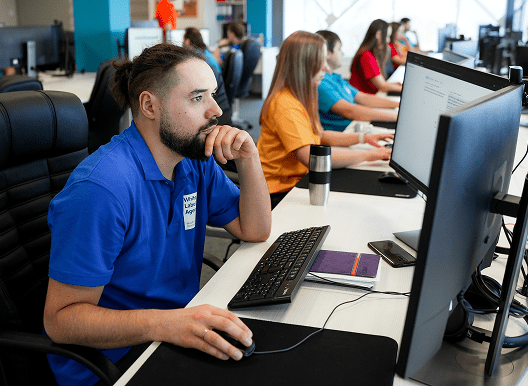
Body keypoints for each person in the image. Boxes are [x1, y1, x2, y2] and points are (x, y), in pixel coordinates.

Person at [43, 44, 272, 386]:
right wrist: (166, 324)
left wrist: (249, 158)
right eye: (197, 98)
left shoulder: (195, 161)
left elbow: (254, 229)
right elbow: (60, 322)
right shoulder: (102, 188)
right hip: (111, 363)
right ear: (150, 105)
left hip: (173, 331)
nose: (216, 111)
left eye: (212, 94)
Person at [257, 31, 393, 208]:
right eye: (321, 62)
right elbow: (310, 156)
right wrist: (369, 155)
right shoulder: (285, 104)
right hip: (280, 193)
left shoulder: (301, 96)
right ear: (303, 66)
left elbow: (319, 135)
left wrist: (364, 138)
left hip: (300, 180)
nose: (327, 69)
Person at [315, 30, 399, 132]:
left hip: (354, 126)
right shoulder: (321, 83)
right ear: (327, 53)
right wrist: (396, 117)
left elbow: (362, 97)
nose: (343, 52)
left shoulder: (335, 77)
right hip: (344, 133)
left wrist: (398, 105)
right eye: (339, 48)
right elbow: (350, 110)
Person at [183, 27, 232, 125]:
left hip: (215, 87)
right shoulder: (205, 52)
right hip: (220, 86)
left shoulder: (195, 59)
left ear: (187, 41)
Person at [349, 19, 403, 95]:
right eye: (387, 36)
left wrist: (397, 85)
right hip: (364, 99)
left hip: (371, 95)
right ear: (379, 35)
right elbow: (382, 86)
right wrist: (406, 89)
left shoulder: (370, 52)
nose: (388, 42)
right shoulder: (366, 56)